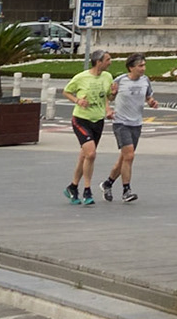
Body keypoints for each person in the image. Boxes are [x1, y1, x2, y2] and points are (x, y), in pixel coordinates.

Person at [101, 53, 159, 203]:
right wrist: (108, 109)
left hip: (136, 123)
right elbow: (108, 97)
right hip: (121, 123)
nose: (143, 69)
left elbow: (148, 97)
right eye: (140, 66)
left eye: (144, 65)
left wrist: (152, 102)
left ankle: (108, 183)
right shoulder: (120, 81)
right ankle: (126, 191)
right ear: (131, 67)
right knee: (129, 156)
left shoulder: (145, 81)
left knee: (124, 158)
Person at [63, 50, 116, 205]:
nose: (110, 62)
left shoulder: (107, 77)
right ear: (98, 62)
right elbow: (66, 91)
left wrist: (113, 95)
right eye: (108, 59)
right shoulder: (81, 77)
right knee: (91, 154)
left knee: (85, 156)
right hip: (81, 119)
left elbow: (108, 97)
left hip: (97, 120)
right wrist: (77, 100)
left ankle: (72, 187)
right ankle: (87, 190)